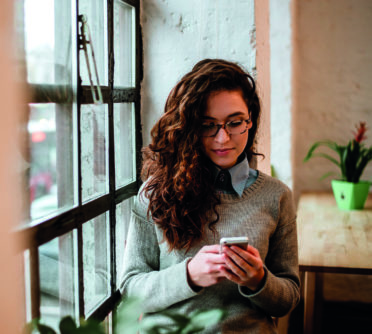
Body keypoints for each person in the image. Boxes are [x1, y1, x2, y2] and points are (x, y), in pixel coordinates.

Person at [119, 59, 300, 333]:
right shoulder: (155, 193)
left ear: (250, 121)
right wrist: (189, 275)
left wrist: (259, 280)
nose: (223, 138)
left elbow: (287, 301)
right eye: (208, 125)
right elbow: (131, 289)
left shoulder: (276, 197)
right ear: (190, 128)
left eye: (235, 122)